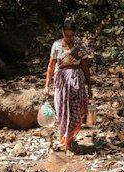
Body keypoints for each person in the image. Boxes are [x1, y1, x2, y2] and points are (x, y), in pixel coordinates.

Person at [44, 19, 92, 151]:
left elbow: (85, 67)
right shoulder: (56, 46)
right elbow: (51, 66)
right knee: (63, 111)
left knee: (76, 111)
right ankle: (65, 139)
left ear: (75, 33)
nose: (69, 38)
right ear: (62, 33)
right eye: (67, 35)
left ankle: (70, 139)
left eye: (72, 35)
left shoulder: (80, 46)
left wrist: (90, 87)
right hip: (61, 82)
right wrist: (47, 86)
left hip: (77, 82)